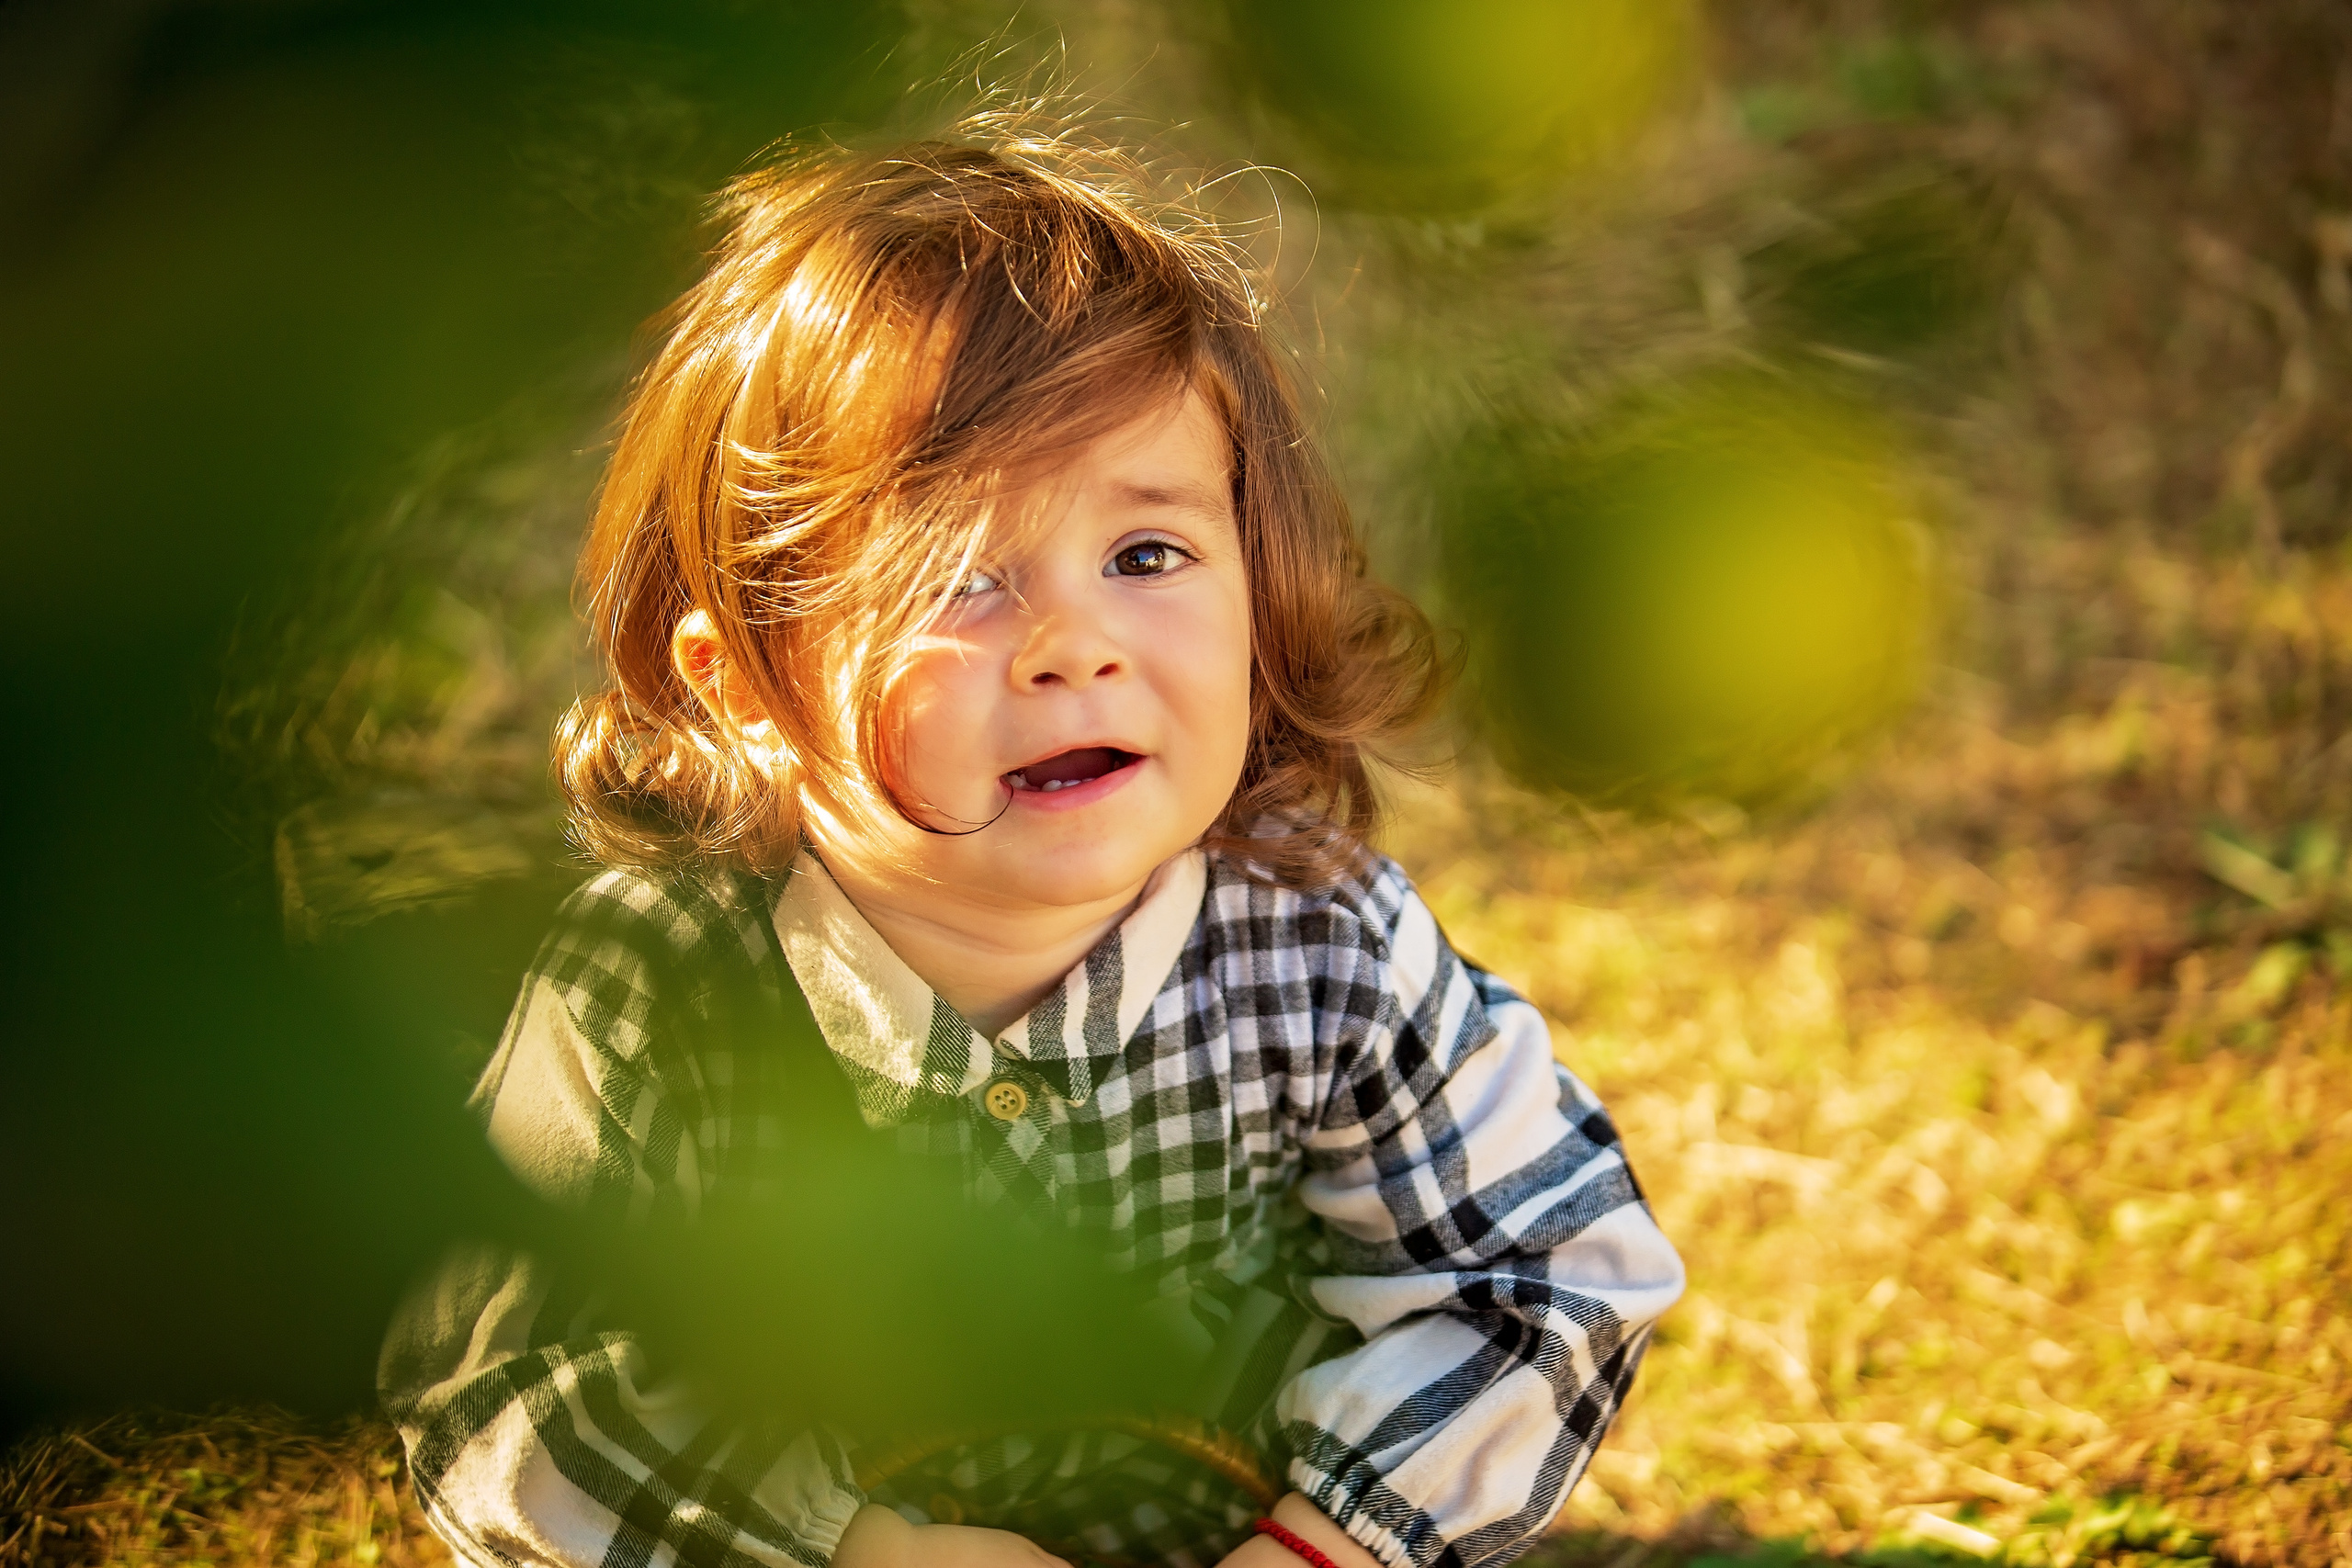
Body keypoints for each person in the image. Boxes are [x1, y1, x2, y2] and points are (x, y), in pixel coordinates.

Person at [379, 107, 1684, 1568]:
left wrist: (1321, 1548)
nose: (1074, 644)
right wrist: (873, 1557)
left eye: (1146, 554)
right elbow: (511, 1387)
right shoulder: (660, 987)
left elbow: (1542, 1269)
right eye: (958, 576)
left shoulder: (1319, 938)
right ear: (743, 684)